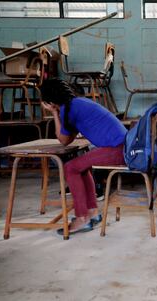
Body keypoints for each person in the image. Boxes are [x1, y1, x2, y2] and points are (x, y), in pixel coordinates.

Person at [40, 79, 127, 235]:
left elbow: (63, 140)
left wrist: (54, 112)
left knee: (70, 168)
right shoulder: (76, 104)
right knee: (80, 167)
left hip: (117, 149)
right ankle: (93, 212)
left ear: (50, 101)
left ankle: (82, 218)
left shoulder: (68, 109)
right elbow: (69, 137)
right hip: (121, 147)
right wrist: (57, 111)